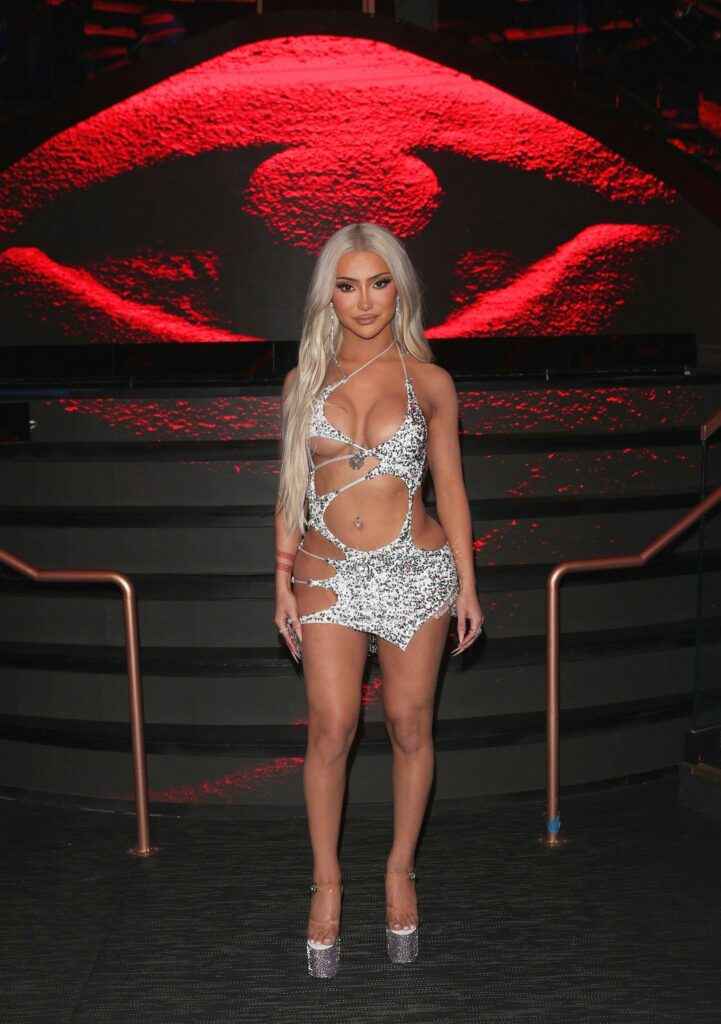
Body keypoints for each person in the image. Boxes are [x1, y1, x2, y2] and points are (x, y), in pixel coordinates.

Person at [274, 222, 484, 978]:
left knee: (408, 724)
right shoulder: (303, 381)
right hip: (326, 573)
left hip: (414, 570)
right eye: (346, 285)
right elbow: (290, 490)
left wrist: (466, 582)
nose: (363, 301)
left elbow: (450, 488)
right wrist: (280, 577)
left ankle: (399, 872)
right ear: (327, 296)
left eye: (378, 283)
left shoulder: (430, 381)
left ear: (400, 289)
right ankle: (327, 884)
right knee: (331, 728)